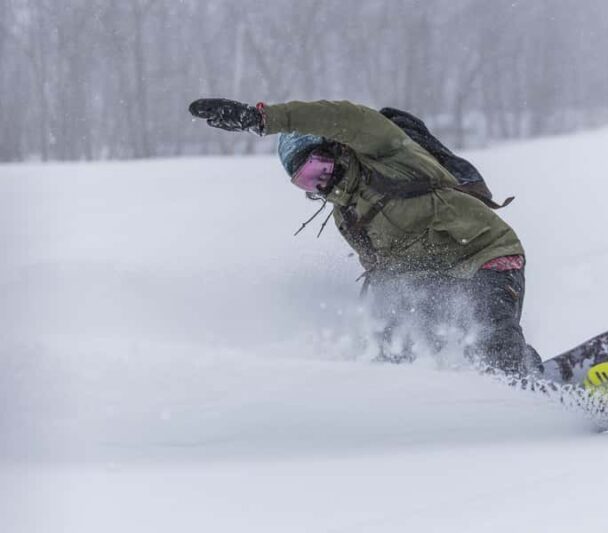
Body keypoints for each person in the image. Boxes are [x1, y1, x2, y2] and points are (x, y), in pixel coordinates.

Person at [189, 98, 541, 382]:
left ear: (338, 147)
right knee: (407, 346)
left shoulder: (385, 152)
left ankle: (533, 390)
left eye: (319, 169)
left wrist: (262, 119)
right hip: (436, 279)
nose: (320, 184)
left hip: (484, 254)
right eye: (307, 182)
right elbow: (385, 275)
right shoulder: (348, 216)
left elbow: (338, 116)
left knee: (491, 340)